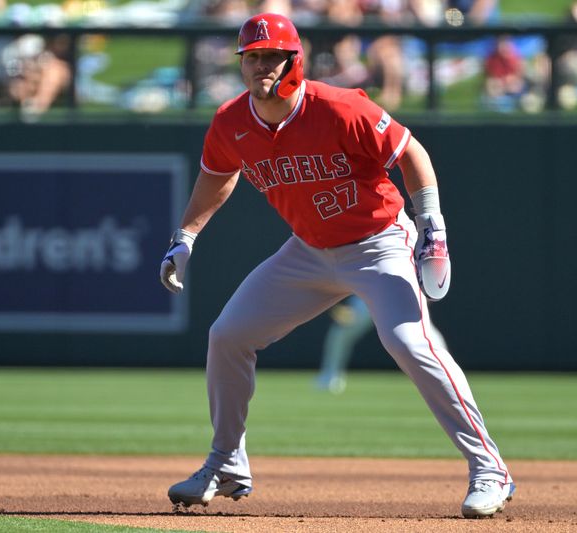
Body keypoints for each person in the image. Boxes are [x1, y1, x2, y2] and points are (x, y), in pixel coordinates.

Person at [159, 12, 514, 519]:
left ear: (294, 61)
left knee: (410, 342)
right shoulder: (232, 121)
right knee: (228, 335)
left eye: (271, 56)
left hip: (379, 242)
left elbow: (411, 153)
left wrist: (431, 223)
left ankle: (490, 468)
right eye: (252, 56)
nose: (260, 65)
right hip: (307, 251)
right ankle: (226, 463)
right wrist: (186, 236)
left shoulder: (339, 106)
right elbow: (219, 174)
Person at [316, 294, 448, 394]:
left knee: (427, 333)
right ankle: (330, 376)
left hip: (401, 292)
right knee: (341, 332)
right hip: (367, 294)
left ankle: (446, 376)